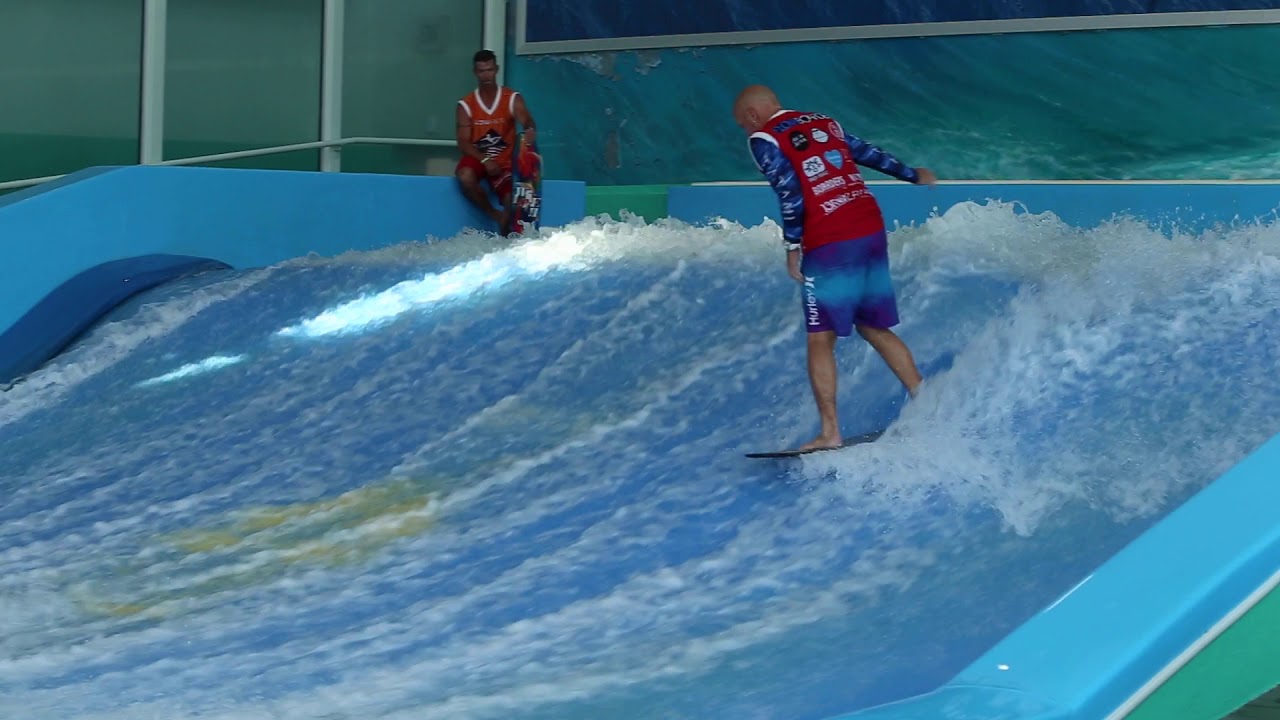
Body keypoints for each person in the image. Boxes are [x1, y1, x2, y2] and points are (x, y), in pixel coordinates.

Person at [732, 84, 937, 452]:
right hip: (869, 225)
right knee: (874, 325)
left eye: (743, 125)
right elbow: (867, 153)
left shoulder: (765, 138)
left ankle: (830, 432)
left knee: (819, 337)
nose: (745, 132)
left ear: (752, 115)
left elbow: (789, 193)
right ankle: (928, 404)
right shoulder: (824, 123)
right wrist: (911, 174)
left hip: (831, 238)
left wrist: (792, 246)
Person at [455, 49, 537, 234]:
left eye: (490, 70)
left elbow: (526, 120)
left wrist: (530, 130)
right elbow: (463, 142)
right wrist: (485, 160)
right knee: (465, 176)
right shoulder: (466, 104)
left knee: (511, 201)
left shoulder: (511, 98)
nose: (486, 75)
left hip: (506, 163)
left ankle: (504, 239)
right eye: (482, 71)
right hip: (478, 158)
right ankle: (494, 214)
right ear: (475, 73)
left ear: (497, 69)